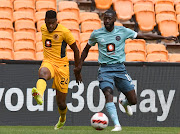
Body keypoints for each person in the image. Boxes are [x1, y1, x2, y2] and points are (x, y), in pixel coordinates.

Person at [74, 9, 177, 131]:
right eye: (105, 18)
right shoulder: (97, 34)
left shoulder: (122, 31)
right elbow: (86, 49)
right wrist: (79, 65)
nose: (106, 20)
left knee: (133, 100)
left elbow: (143, 35)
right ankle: (117, 125)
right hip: (105, 70)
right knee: (108, 93)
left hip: (120, 69)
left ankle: (124, 103)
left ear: (114, 19)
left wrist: (164, 36)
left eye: (109, 18)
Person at [31, 10, 81, 130]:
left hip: (62, 67)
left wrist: (77, 69)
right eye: (48, 23)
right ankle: (39, 95)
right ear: (45, 22)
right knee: (42, 73)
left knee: (61, 103)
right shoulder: (42, 28)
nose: (50, 26)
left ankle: (62, 119)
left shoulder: (64, 32)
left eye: (53, 23)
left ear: (56, 21)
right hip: (48, 62)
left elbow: (76, 50)